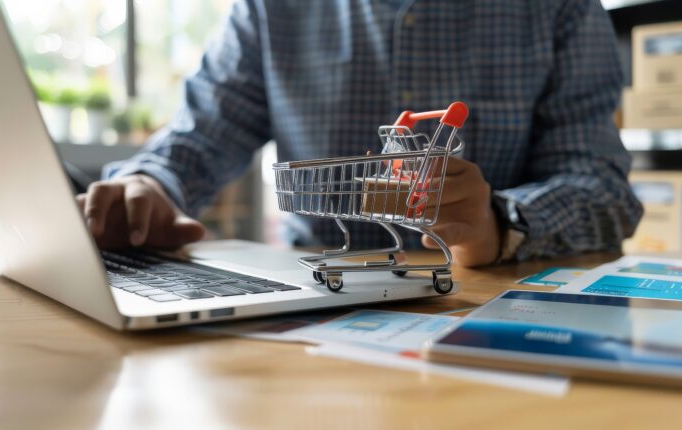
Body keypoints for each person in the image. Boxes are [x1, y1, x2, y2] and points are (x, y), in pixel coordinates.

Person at [78, 0, 643, 267]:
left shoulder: (558, 9)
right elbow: (201, 135)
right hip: (316, 297)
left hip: (490, 298)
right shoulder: (268, 11)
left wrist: (498, 222)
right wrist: (149, 183)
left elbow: (602, 187)